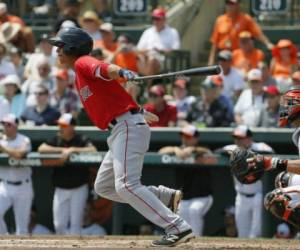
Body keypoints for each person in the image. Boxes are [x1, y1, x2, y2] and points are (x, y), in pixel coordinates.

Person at [47, 27, 193, 246]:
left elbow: (103, 67)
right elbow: (113, 97)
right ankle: (164, 197)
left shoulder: (82, 62)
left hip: (126, 128)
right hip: (121, 128)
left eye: (60, 46)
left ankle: (177, 227)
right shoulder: (79, 74)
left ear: (72, 48)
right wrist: (140, 110)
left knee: (126, 185)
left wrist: (121, 71)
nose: (57, 50)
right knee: (104, 187)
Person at [38, 113, 97, 234]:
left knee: (76, 224)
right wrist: (63, 150)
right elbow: (41, 148)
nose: (60, 128)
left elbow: (93, 150)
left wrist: (73, 149)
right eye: (60, 125)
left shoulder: (81, 139)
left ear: (72, 127)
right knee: (59, 225)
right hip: (61, 188)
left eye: (64, 126)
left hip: (79, 187)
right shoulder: (56, 139)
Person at [159, 125, 214, 236]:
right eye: (183, 136)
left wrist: (193, 150)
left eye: (188, 137)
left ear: (196, 138)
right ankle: (186, 242)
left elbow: (210, 154)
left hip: (202, 196)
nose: (185, 139)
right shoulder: (177, 150)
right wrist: (175, 149)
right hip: (184, 197)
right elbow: (161, 151)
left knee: (194, 210)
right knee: (181, 218)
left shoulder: (202, 149)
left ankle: (197, 239)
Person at [223, 125, 274, 238]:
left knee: (256, 234)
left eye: (241, 138)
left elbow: (271, 152)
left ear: (249, 138)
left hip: (258, 196)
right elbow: (218, 151)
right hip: (241, 197)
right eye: (236, 138)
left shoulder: (260, 146)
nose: (238, 140)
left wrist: (249, 153)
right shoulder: (233, 148)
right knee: (242, 233)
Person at [208, 0, 273, 65]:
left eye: (232, 3)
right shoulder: (220, 20)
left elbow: (258, 34)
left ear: (238, 5)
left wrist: (268, 43)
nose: (229, 6)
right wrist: (211, 61)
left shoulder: (245, 18)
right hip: (223, 54)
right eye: (228, 3)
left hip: (239, 54)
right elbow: (215, 43)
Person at [0, 113, 33, 235]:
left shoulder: (24, 139)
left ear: (15, 126)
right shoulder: (1, 140)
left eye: (8, 124)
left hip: (23, 187)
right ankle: (4, 239)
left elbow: (20, 155)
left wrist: (3, 149)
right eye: (3, 124)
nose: (5, 127)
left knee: (22, 228)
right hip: (4, 186)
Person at [137, 8, 180, 76]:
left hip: (164, 60)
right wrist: (149, 50)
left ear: (164, 19)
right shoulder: (148, 32)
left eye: (158, 18)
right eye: (154, 18)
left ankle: (145, 85)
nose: (156, 21)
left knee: (152, 60)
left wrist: (160, 51)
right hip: (147, 57)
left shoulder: (173, 32)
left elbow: (175, 50)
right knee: (138, 57)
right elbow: (139, 49)